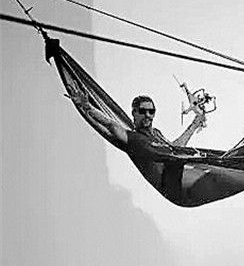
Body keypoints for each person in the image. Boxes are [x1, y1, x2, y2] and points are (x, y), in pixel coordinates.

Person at [66, 85, 205, 203]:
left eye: (151, 112)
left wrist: (194, 124)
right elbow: (110, 125)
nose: (148, 115)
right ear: (134, 113)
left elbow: (176, 148)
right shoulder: (132, 138)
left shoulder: (157, 133)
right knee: (181, 159)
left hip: (179, 174)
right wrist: (88, 107)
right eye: (143, 111)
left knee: (188, 157)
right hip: (170, 186)